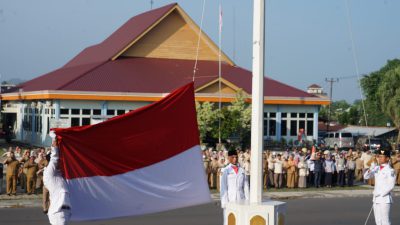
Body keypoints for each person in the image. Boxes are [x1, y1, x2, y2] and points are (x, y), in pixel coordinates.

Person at [44, 135, 71, 225]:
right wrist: (54, 142)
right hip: (58, 213)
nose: (61, 161)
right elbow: (54, 159)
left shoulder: (61, 175)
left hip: (65, 212)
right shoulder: (48, 174)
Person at [364, 149, 396, 225]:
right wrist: (371, 169)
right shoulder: (376, 168)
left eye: (382, 157)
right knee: (378, 221)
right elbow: (366, 177)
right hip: (376, 198)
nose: (380, 158)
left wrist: (380, 193)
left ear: (387, 158)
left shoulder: (390, 170)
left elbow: (391, 185)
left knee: (385, 221)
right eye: (379, 156)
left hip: (384, 198)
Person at [220, 150, 249, 225]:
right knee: (229, 220)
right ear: (229, 158)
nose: (235, 159)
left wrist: (248, 200)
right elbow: (223, 188)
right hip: (230, 199)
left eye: (236, 157)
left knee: (241, 220)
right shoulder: (225, 170)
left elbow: (246, 187)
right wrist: (224, 203)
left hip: (241, 199)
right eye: (233, 157)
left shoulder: (242, 170)